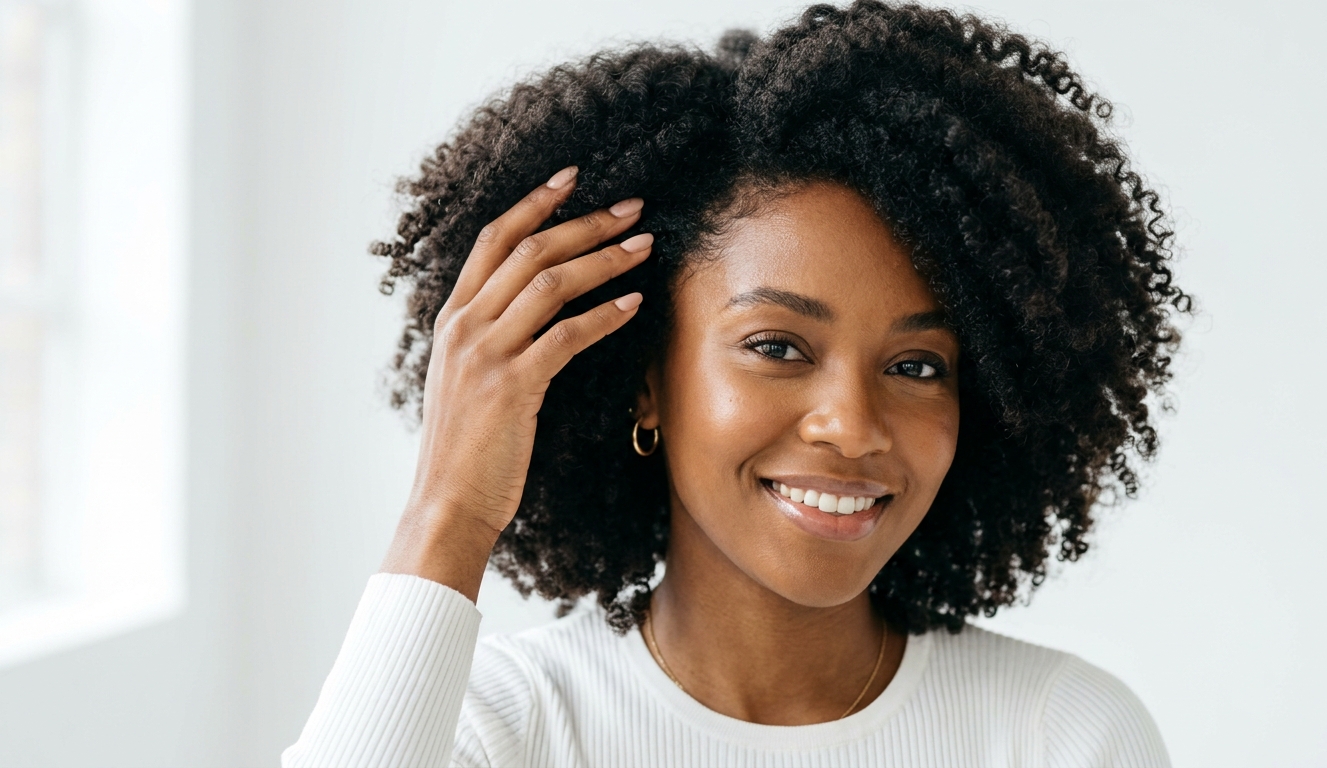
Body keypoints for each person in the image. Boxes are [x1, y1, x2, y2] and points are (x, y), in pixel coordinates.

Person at [283, 2, 1190, 765]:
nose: (851, 425)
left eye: (916, 367)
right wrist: (451, 510)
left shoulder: (1058, 735)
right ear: (645, 382)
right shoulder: (500, 726)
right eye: (779, 347)